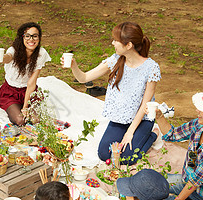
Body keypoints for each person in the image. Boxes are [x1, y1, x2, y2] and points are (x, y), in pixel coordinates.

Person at [64, 22, 159, 165]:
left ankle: (151, 136)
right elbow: (83, 78)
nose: (113, 43)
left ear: (129, 45)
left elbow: (145, 104)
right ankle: (138, 137)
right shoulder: (115, 60)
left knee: (127, 158)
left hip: (141, 119)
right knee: (105, 154)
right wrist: (74, 66)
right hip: (120, 117)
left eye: (116, 40)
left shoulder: (151, 68)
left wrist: (130, 132)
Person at [0, 22, 51, 126]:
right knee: (20, 120)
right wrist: (1, 59)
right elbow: (8, 57)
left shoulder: (41, 53)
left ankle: (21, 108)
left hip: (28, 92)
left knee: (35, 120)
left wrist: (25, 107)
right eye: (27, 36)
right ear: (22, 38)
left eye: (35, 36)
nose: (31, 39)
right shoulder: (14, 50)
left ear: (39, 38)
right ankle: (13, 108)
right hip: (10, 93)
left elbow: (31, 83)